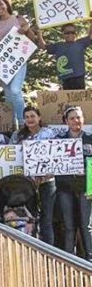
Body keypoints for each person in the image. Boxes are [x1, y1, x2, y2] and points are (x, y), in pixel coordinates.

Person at [0, 0, 35, 125]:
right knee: (8, 97)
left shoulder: (19, 19)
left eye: (0, 4)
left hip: (18, 61)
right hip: (2, 65)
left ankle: (24, 123)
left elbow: (31, 38)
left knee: (15, 90)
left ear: (6, 4)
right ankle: (12, 127)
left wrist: (25, 30)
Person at [10, 106, 56, 244]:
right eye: (27, 117)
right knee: (29, 218)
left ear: (39, 117)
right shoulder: (17, 136)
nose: (30, 119)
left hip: (48, 182)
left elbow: (56, 156)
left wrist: (46, 174)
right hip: (26, 183)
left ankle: (49, 252)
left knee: (46, 218)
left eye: (32, 116)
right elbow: (10, 156)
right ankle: (31, 249)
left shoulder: (49, 133)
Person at [56, 106, 92, 260]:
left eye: (79, 117)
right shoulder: (58, 141)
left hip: (86, 187)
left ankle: (90, 259)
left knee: (87, 226)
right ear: (66, 121)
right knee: (69, 226)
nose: (76, 121)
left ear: (83, 119)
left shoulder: (90, 139)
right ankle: (69, 259)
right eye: (72, 118)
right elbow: (52, 162)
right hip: (65, 187)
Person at [37, 21, 92, 90]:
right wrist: (39, 34)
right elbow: (43, 46)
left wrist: (91, 23)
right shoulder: (58, 46)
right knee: (68, 100)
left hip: (79, 77)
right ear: (63, 34)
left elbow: (90, 37)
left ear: (76, 34)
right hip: (65, 78)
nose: (70, 35)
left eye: (72, 32)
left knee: (79, 99)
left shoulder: (80, 43)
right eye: (67, 33)